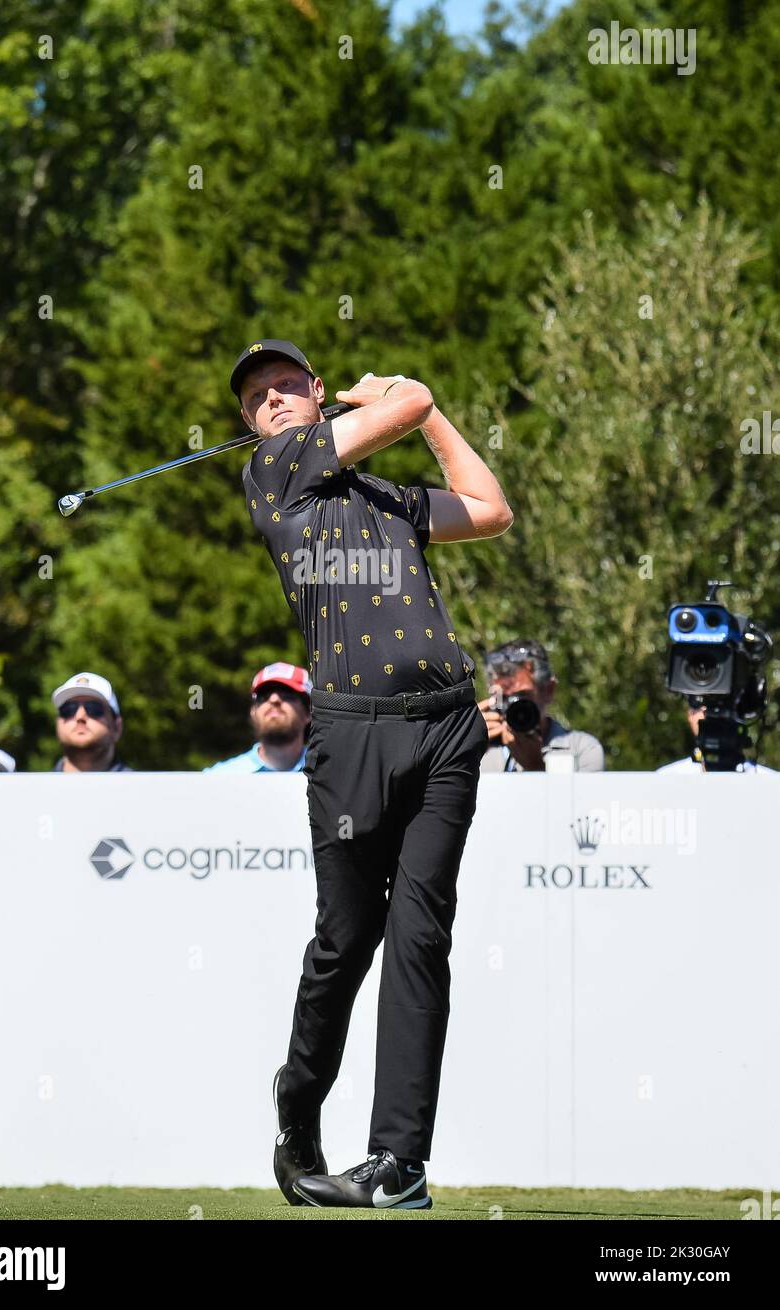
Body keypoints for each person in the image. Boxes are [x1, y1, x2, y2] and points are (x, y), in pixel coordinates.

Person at [232, 337, 512, 1210]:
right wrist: (395, 395)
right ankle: (299, 1096)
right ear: (251, 425)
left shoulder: (386, 496)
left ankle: (400, 1162)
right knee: (347, 940)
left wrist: (424, 413)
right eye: (257, 398)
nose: (273, 402)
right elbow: (409, 402)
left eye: (287, 386)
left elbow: (490, 507)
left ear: (317, 394)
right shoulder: (273, 474)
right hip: (352, 739)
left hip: (446, 731)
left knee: (422, 937)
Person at [478, 639, 604, 773]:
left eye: (522, 696)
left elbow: (580, 795)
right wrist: (465, 742)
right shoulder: (479, 749)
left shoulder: (582, 749)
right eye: (504, 698)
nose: (513, 707)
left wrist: (536, 768)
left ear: (549, 690)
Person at [201, 663, 311, 773]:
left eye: (287, 695)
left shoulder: (326, 775)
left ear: (309, 712)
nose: (274, 699)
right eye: (264, 696)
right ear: (253, 712)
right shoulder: (217, 778)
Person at [657, 697, 778, 774]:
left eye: (720, 708)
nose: (709, 713)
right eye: (700, 704)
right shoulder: (666, 779)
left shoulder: (769, 783)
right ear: (690, 716)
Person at [51, 672, 132, 772]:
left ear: (117, 727)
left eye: (94, 708)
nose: (80, 716)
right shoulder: (33, 786)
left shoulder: (144, 787)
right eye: (68, 710)